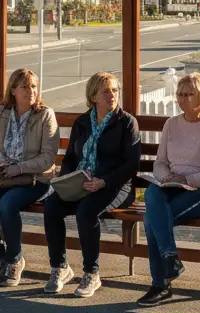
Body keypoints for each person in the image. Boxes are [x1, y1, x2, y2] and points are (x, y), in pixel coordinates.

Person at [43, 71, 140, 298]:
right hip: (82, 183)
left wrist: (103, 181)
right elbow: (69, 159)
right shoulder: (82, 122)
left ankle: (91, 273)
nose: (112, 95)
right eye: (106, 91)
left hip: (115, 186)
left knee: (86, 212)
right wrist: (68, 181)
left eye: (115, 90)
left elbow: (131, 165)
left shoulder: (126, 123)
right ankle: (60, 268)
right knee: (52, 207)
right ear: (93, 95)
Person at [136, 72, 200, 306]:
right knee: (151, 193)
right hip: (173, 187)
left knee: (151, 219)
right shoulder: (172, 123)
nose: (182, 98)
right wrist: (164, 176)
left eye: (189, 94)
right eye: (179, 94)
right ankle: (170, 260)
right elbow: (160, 161)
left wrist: (188, 178)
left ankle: (160, 284)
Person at [0, 67, 58, 287]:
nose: (31, 91)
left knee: (7, 205)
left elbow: (48, 158)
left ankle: (15, 259)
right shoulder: (0, 113)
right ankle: (1, 255)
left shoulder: (45, 115)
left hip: (35, 179)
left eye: (34, 87)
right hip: (1, 177)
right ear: (13, 90)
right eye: (25, 87)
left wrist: (19, 168)